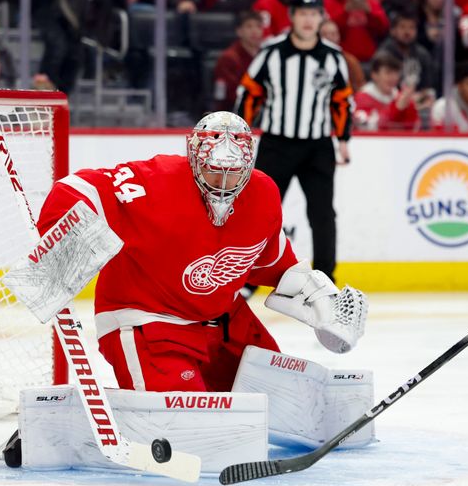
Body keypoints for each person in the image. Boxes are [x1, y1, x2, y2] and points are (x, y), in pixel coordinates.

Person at [34, 111, 367, 395]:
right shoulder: (154, 181)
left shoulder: (263, 192)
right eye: (214, 169)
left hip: (221, 324)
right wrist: (57, 248)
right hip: (147, 323)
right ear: (195, 159)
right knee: (186, 417)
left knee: (281, 399)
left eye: (234, 171)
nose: (224, 181)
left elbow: (273, 263)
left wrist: (322, 300)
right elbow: (78, 188)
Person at [236, 0, 354, 284]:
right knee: (258, 211)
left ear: (322, 17)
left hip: (317, 146)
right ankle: (246, 278)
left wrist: (344, 140)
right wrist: (241, 134)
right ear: (291, 16)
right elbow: (249, 93)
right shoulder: (271, 53)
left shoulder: (333, 56)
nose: (308, 20)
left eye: (314, 13)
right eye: (302, 13)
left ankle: (326, 279)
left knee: (323, 214)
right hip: (277, 144)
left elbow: (342, 101)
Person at [213, 10, 265, 112]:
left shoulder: (266, 56)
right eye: (249, 26)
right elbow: (230, 94)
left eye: (258, 26)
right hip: (234, 112)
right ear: (239, 31)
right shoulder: (228, 58)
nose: (254, 31)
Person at [353, 52, 419, 130]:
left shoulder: (399, 97)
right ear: (374, 75)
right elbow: (366, 126)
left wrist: (410, 106)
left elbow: (412, 127)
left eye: (396, 73)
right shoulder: (362, 98)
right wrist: (396, 108)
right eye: (388, 73)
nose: (393, 78)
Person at [320, 19, 365, 92]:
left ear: (339, 36)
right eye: (324, 34)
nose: (329, 37)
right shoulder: (311, 60)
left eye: (333, 34)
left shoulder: (350, 61)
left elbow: (359, 88)